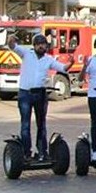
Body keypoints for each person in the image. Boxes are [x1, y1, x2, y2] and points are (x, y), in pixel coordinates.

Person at [9, 33, 74, 161]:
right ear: (34, 46)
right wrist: (11, 38)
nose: (41, 46)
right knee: (25, 125)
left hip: (40, 94)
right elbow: (12, 46)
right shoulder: (26, 53)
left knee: (41, 124)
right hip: (25, 94)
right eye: (38, 44)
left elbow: (63, 68)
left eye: (43, 44)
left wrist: (71, 62)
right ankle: (26, 153)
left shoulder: (49, 59)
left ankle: (42, 152)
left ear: (46, 46)